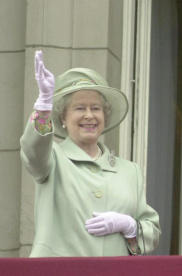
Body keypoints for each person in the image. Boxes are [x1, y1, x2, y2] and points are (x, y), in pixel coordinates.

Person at [20, 51, 161, 257]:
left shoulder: (130, 171)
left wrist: (130, 226)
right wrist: (43, 106)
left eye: (96, 108)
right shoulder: (52, 159)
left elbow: (151, 232)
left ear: (105, 116)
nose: (89, 115)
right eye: (79, 108)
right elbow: (33, 152)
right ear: (64, 118)